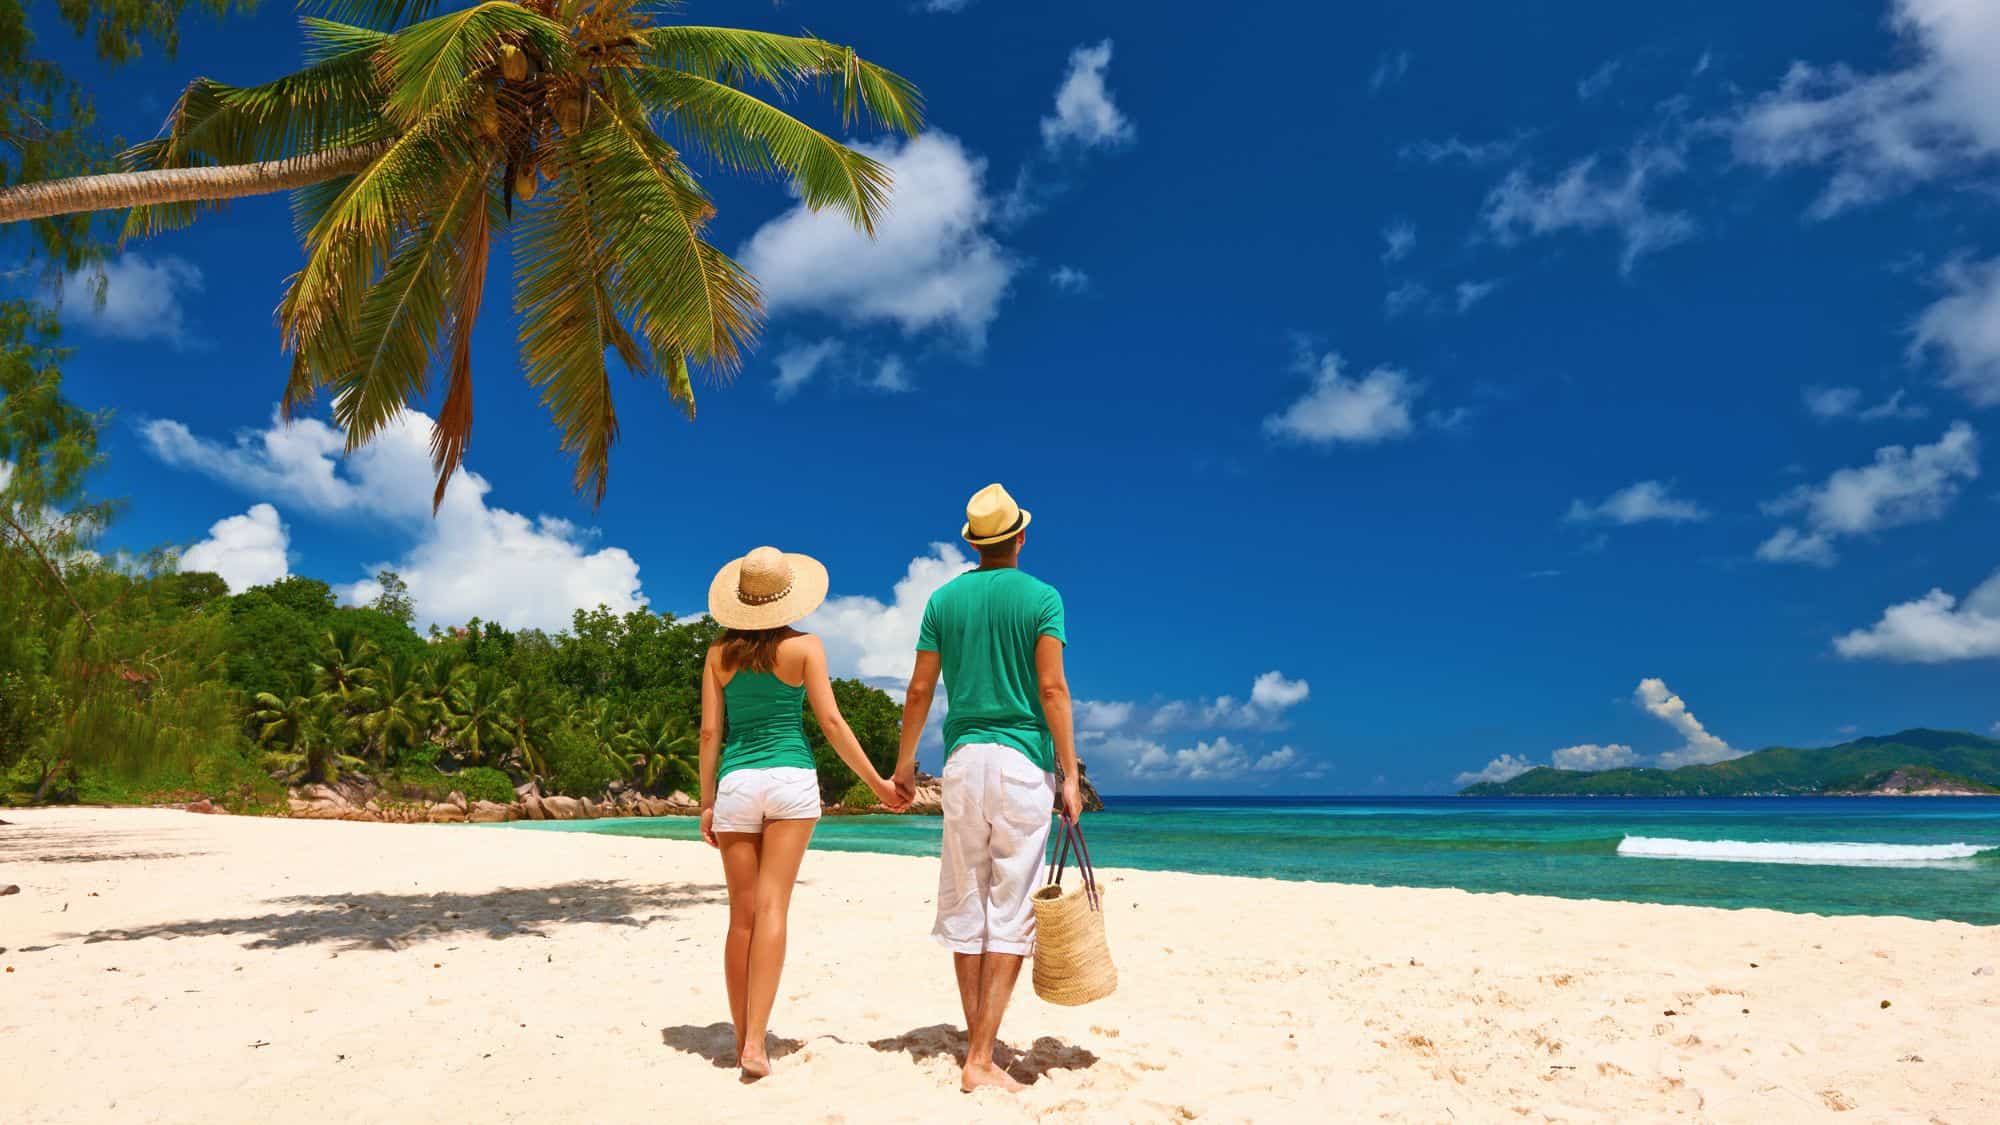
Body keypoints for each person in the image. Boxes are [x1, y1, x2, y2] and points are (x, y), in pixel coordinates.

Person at [893, 483, 1084, 1094]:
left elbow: (920, 691)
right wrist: (1070, 773)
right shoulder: (1043, 598)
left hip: (963, 761)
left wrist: (903, 767)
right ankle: (980, 1057)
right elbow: (1052, 690)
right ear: (1021, 537)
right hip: (1022, 763)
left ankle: (980, 1044)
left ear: (974, 543)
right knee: (1010, 908)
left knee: (966, 904)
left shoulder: (944, 600)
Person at [699, 545, 903, 1079]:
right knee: (772, 910)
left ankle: (743, 1034)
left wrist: (705, 802)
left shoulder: (718, 655)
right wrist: (878, 784)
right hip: (790, 781)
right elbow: (832, 724)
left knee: (740, 915)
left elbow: (710, 733)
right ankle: (756, 1048)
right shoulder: (807, 647)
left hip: (737, 783)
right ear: (787, 597)